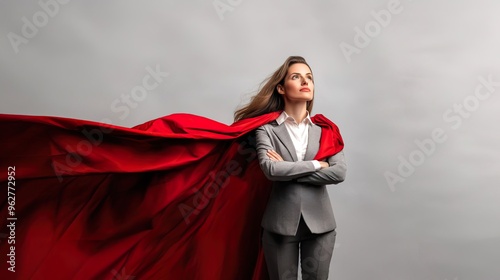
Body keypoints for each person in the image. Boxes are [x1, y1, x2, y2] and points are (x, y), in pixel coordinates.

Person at [234, 56, 347, 279]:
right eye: (296, 77)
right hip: (279, 226)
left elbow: (339, 172)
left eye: (309, 78)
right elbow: (270, 170)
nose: (305, 82)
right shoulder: (266, 130)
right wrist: (316, 164)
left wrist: (288, 171)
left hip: (321, 227)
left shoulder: (326, 130)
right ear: (281, 88)